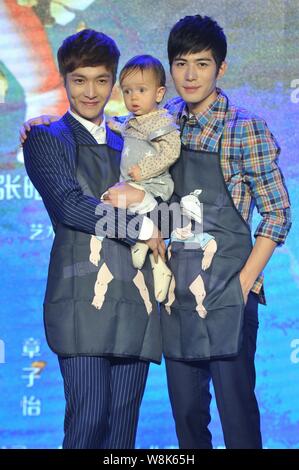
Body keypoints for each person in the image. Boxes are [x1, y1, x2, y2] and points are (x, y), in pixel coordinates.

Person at [22, 28, 166, 449]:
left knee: (122, 432)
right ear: (65, 80)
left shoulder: (134, 141)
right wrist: (141, 227)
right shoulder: (48, 138)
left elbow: (164, 193)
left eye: (102, 80)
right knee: (89, 421)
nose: (91, 91)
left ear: (114, 82)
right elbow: (70, 206)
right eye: (80, 80)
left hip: (136, 298)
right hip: (81, 297)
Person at [159, 14, 291, 449]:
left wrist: (244, 282)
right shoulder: (162, 123)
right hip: (178, 294)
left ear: (222, 68)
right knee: (186, 418)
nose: (190, 74)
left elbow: (277, 213)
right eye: (181, 63)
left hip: (230, 291)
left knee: (237, 416)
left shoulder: (243, 127)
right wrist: (42, 124)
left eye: (201, 63)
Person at [104, 54, 181, 302]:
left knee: (131, 206)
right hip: (134, 185)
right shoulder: (131, 121)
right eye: (127, 91)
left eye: (140, 90)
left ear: (159, 94)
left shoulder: (161, 120)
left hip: (153, 186)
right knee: (107, 201)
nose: (133, 97)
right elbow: (112, 124)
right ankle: (140, 244)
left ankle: (161, 268)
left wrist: (145, 170)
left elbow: (171, 150)